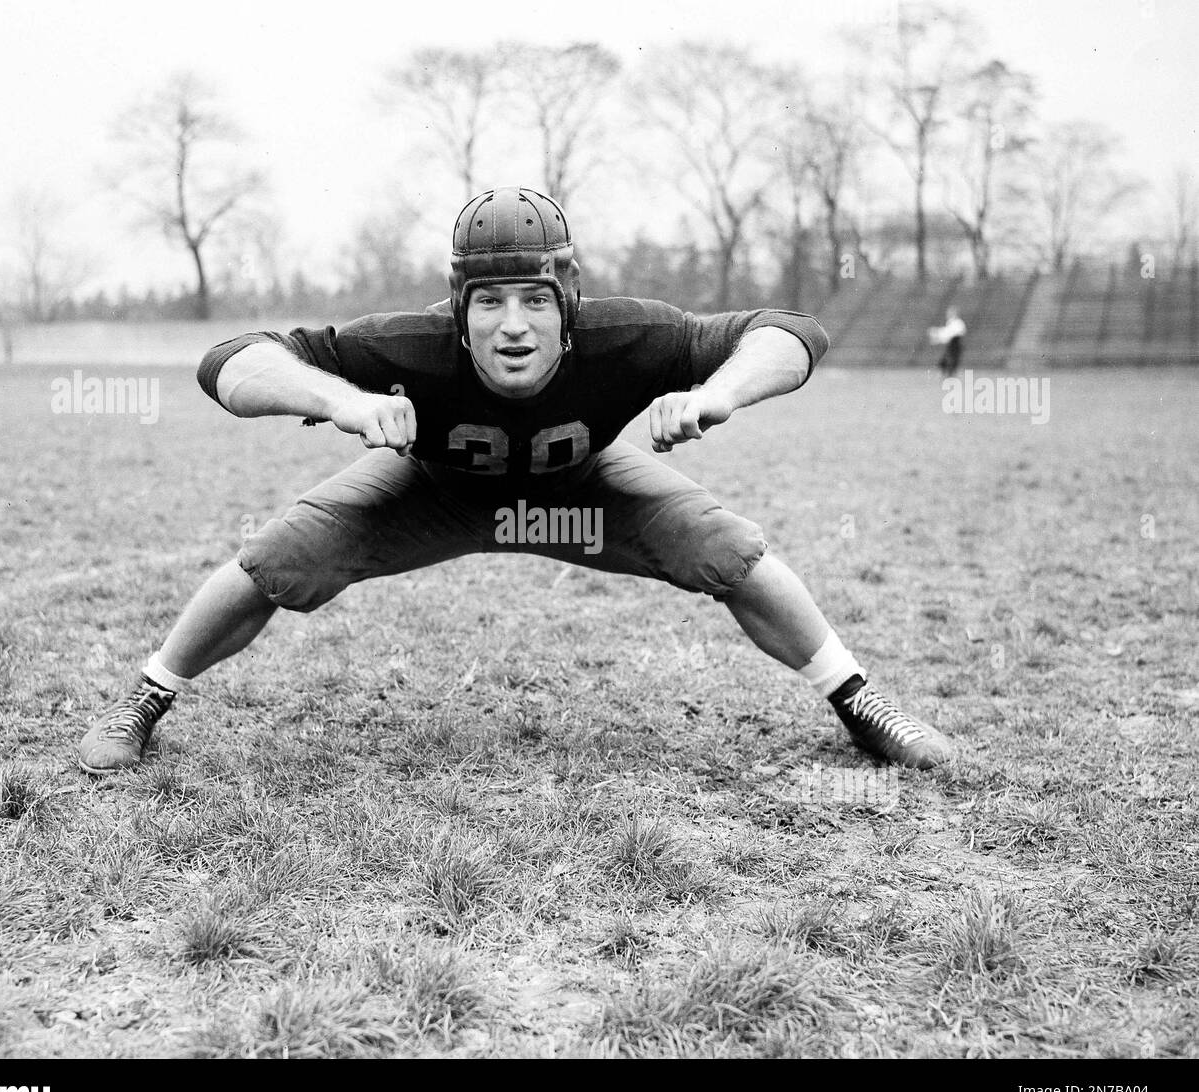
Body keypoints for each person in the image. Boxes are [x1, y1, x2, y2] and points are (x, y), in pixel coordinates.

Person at [80, 186, 951, 776]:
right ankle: (144, 701)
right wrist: (340, 401)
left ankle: (860, 703)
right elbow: (228, 364)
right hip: (431, 488)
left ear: (568, 300)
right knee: (278, 558)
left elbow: (793, 330)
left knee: (726, 549)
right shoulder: (409, 344)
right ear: (458, 307)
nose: (513, 324)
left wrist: (716, 391)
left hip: (580, 488)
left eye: (534, 298)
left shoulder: (629, 336)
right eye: (489, 302)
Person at [930, 305, 966, 380]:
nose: (948, 314)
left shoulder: (958, 322)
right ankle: (946, 375)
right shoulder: (951, 322)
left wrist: (937, 335)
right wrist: (938, 336)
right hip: (952, 344)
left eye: (950, 312)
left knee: (951, 360)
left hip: (955, 344)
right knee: (947, 359)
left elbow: (951, 333)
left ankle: (950, 376)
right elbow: (947, 333)